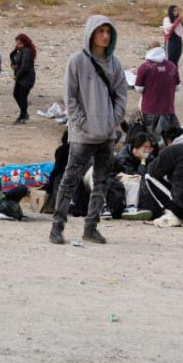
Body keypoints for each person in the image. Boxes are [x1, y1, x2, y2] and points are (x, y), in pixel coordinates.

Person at [50, 15, 126, 245]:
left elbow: (122, 96)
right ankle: (57, 227)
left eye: (108, 31)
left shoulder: (115, 64)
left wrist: (113, 121)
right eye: (100, 31)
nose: (105, 36)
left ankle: (91, 228)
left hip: (107, 135)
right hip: (82, 135)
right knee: (69, 180)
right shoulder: (76, 61)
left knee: (101, 181)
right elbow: (70, 98)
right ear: (91, 33)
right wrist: (83, 123)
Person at [135, 45, 181, 145]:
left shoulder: (144, 67)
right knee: (168, 139)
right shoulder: (172, 66)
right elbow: (177, 87)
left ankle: (154, 158)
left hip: (150, 109)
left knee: (152, 139)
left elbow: (139, 88)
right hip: (167, 109)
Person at [10, 34, 37, 124]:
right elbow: (15, 59)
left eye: (20, 44)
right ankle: (24, 113)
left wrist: (17, 75)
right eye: (17, 44)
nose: (18, 46)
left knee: (22, 96)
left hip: (26, 78)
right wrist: (14, 66)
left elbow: (25, 66)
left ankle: (22, 116)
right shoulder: (20, 50)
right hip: (21, 77)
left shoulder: (27, 51)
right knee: (16, 94)